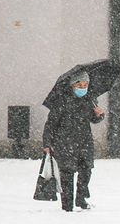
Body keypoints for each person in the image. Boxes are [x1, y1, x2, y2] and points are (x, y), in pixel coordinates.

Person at [43, 70, 105, 212]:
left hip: (84, 142)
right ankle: (67, 205)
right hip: (65, 143)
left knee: (86, 170)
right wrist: (47, 143)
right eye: (79, 85)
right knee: (67, 174)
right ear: (72, 85)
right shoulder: (61, 101)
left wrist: (99, 115)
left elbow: (93, 119)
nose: (83, 88)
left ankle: (81, 198)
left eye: (85, 85)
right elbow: (51, 123)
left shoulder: (89, 100)